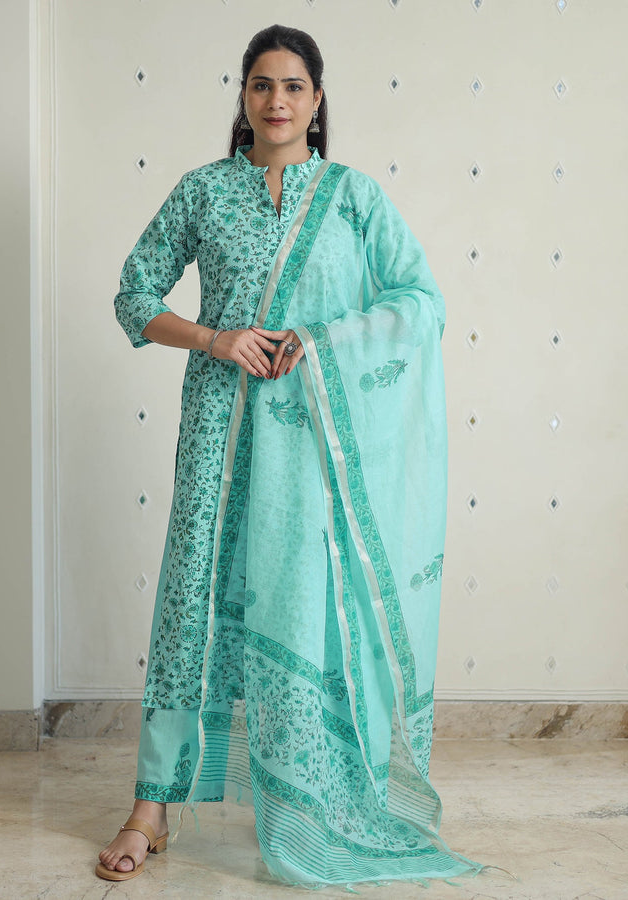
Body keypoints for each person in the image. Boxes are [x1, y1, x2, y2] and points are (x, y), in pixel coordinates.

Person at [96, 23, 481, 887]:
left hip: (313, 444)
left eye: (294, 86)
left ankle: (313, 797)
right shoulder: (204, 190)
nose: (277, 101)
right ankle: (151, 807)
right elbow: (132, 296)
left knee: (308, 601)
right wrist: (215, 337)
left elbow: (421, 301)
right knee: (191, 603)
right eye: (262, 84)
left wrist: (321, 338)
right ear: (243, 95)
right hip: (219, 431)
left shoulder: (352, 197)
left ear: (317, 99)